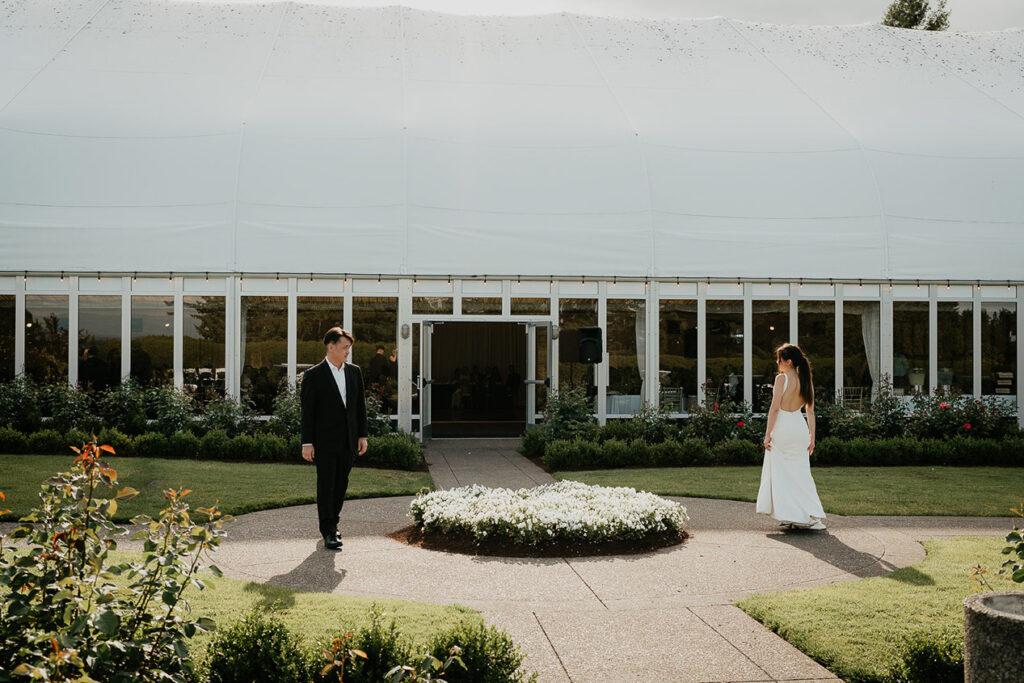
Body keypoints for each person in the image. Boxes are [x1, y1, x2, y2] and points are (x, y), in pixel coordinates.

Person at [301, 327, 368, 550]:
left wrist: (362, 436)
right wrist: (307, 442)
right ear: (331, 347)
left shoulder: (354, 372)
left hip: (349, 441)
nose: (348, 351)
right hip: (324, 442)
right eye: (344, 347)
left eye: (349, 347)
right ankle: (329, 530)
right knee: (326, 485)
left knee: (341, 484)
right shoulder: (313, 375)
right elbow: (307, 413)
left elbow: (360, 407)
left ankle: (333, 522)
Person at [756, 343, 826, 531]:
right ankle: (806, 515)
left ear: (788, 361)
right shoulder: (806, 380)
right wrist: (812, 437)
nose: (777, 363)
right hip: (799, 428)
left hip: (783, 428)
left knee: (782, 473)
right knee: (801, 473)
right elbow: (810, 412)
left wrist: (767, 434)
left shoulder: (781, 379)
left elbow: (775, 408)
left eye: (780, 359)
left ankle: (793, 514)